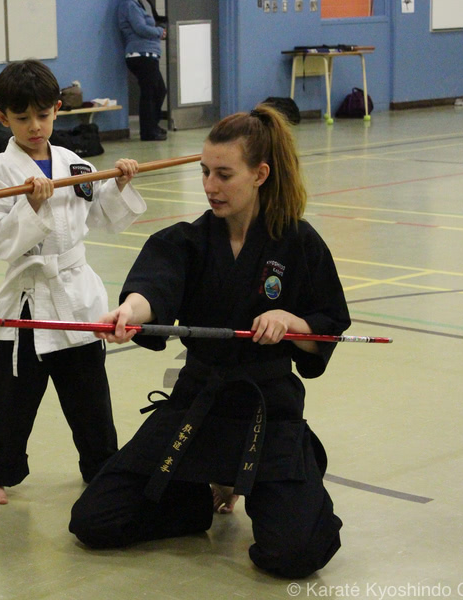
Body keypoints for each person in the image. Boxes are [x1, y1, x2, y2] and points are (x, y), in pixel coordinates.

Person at [68, 104, 351, 579]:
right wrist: (128, 313)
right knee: (95, 521)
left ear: (260, 174)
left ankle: (292, 469)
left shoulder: (299, 242)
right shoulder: (188, 241)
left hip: (268, 407)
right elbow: (155, 287)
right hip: (197, 401)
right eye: (204, 172)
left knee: (295, 553)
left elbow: (329, 322)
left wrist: (293, 322)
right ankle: (191, 498)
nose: (209, 186)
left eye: (224, 174)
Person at [0, 59, 147, 505]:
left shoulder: (73, 163)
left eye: (43, 115)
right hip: (29, 298)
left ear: (56, 110)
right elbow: (3, 243)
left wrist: (120, 183)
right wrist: (29, 207)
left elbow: (105, 214)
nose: (35, 126)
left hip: (76, 293)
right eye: (23, 117)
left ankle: (101, 464)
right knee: (14, 395)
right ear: (1, 116)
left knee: (90, 392)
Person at [117, 0, 168, 141]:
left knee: (159, 90)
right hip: (141, 54)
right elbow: (140, 28)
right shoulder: (129, 4)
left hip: (148, 55)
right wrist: (160, 32)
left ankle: (152, 126)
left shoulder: (139, 4)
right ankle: (148, 132)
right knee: (149, 93)